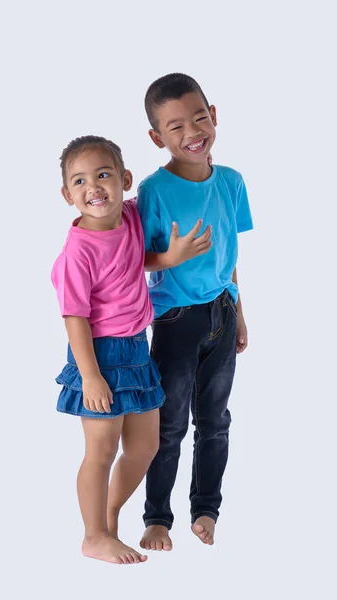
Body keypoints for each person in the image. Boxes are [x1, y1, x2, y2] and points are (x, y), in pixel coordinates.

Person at [51, 135, 212, 564]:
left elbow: (136, 259)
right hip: (100, 354)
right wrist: (90, 375)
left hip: (137, 351)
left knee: (145, 447)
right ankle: (94, 535)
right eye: (80, 181)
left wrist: (170, 256)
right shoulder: (77, 252)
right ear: (68, 195)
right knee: (101, 450)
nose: (94, 187)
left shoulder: (128, 216)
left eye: (103, 175)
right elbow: (74, 318)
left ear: (124, 179)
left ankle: (107, 513)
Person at [136, 73, 254, 551]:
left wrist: (241, 312)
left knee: (215, 420)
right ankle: (157, 517)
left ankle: (206, 510)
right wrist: (174, 257)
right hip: (176, 321)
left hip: (222, 313)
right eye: (176, 126)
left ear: (214, 116)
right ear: (157, 137)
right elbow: (136, 259)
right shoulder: (154, 190)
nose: (192, 133)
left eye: (200, 117)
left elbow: (229, 257)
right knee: (168, 425)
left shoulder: (231, 182)